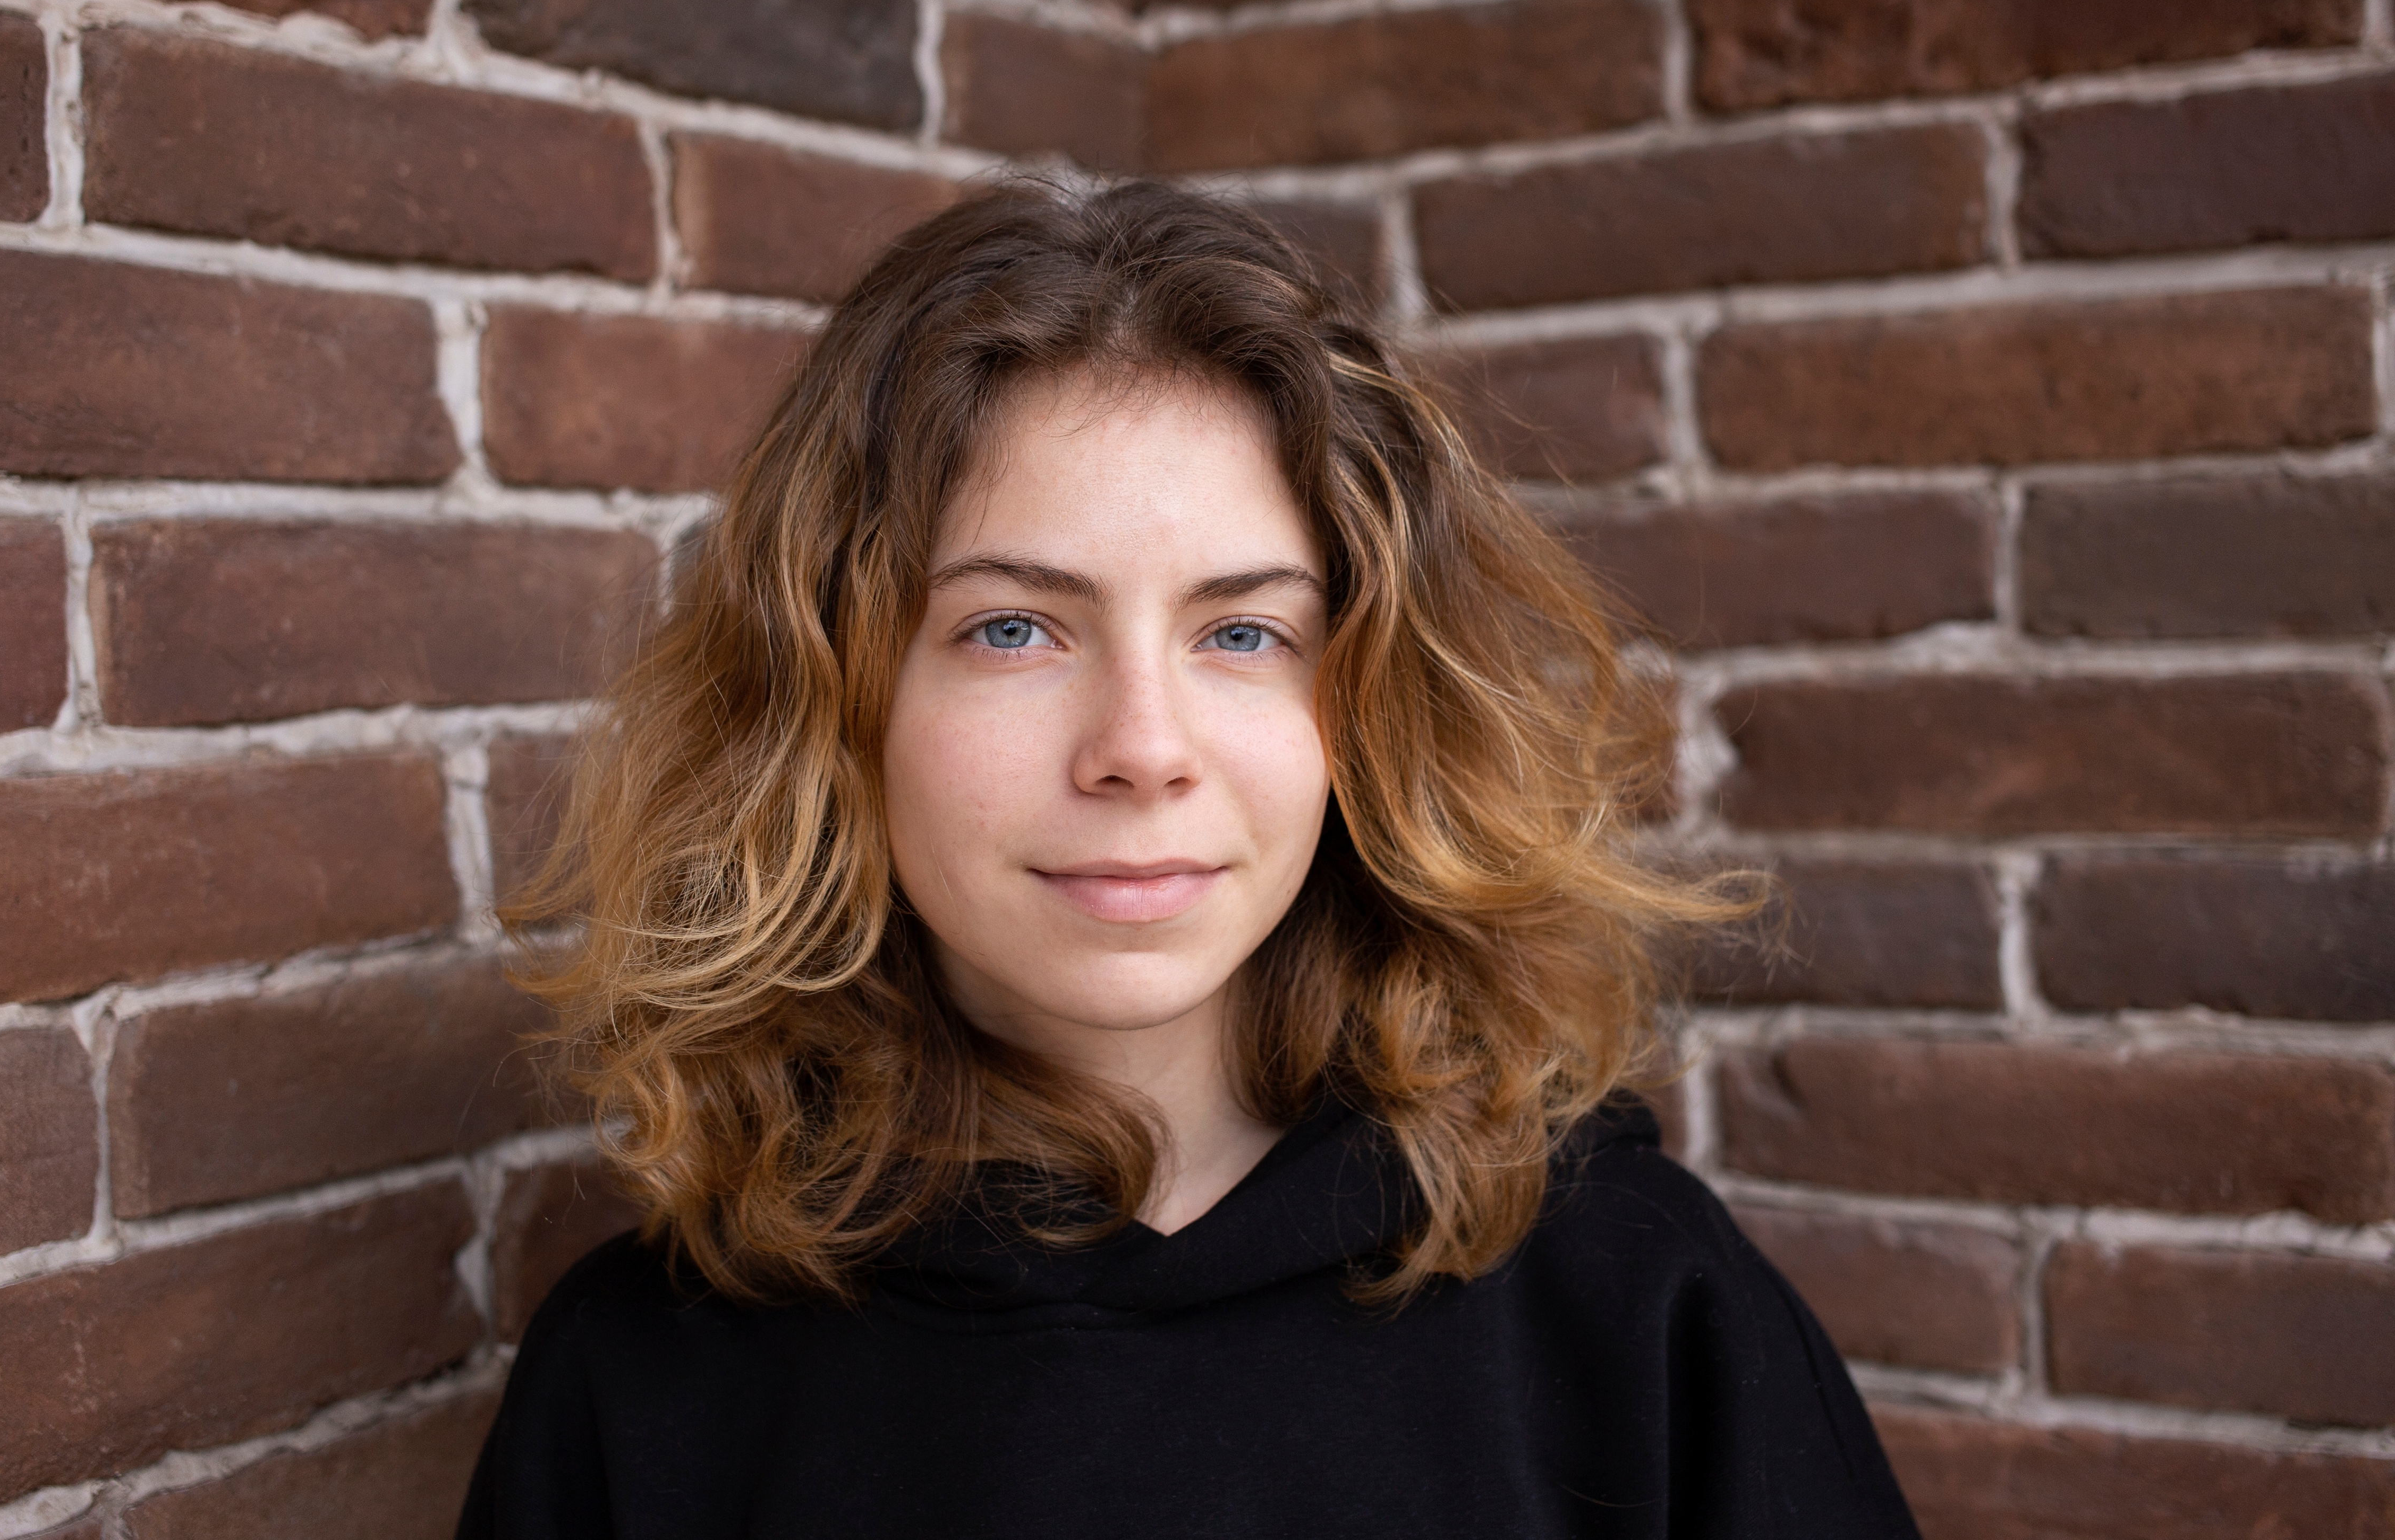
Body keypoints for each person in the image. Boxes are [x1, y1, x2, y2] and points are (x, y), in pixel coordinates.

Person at [458, 180, 1920, 1538]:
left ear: (1369, 709)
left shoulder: (1637, 1306)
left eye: (1241, 633)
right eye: (1012, 629)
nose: (1142, 748)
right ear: (831, 707)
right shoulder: (641, 1376)